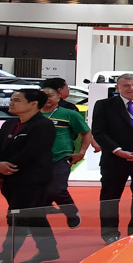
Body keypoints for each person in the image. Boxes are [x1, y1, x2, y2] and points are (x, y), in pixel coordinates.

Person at [89, 73, 133, 242]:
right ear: (118, 87)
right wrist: (117, 150)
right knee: (110, 197)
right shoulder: (104, 105)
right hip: (115, 159)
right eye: (126, 85)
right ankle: (110, 233)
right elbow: (99, 132)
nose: (131, 89)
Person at [0, 87, 58, 263]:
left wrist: (5, 167)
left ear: (33, 104)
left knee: (17, 217)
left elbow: (32, 152)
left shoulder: (44, 125)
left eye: (17, 100)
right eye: (12, 99)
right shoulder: (9, 124)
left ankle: (4, 259)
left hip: (31, 179)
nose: (11, 103)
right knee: (33, 214)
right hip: (9, 178)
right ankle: (48, 249)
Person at [38, 79, 86, 228]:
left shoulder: (69, 113)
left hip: (60, 157)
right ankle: (36, 223)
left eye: (50, 96)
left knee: (57, 189)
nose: (47, 99)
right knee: (36, 192)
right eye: (43, 96)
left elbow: (86, 132)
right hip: (35, 160)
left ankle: (70, 212)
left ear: (58, 97)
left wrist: (81, 152)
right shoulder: (31, 114)